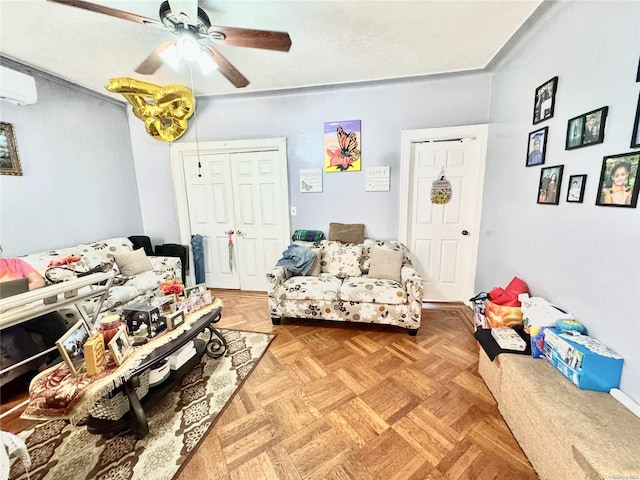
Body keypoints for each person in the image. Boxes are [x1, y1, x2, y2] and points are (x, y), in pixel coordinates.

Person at [0, 251, 67, 379]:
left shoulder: (15, 263)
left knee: (53, 320)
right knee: (13, 338)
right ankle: (46, 372)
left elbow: (39, 282)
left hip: (26, 310)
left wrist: (18, 292)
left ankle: (63, 358)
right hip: (3, 320)